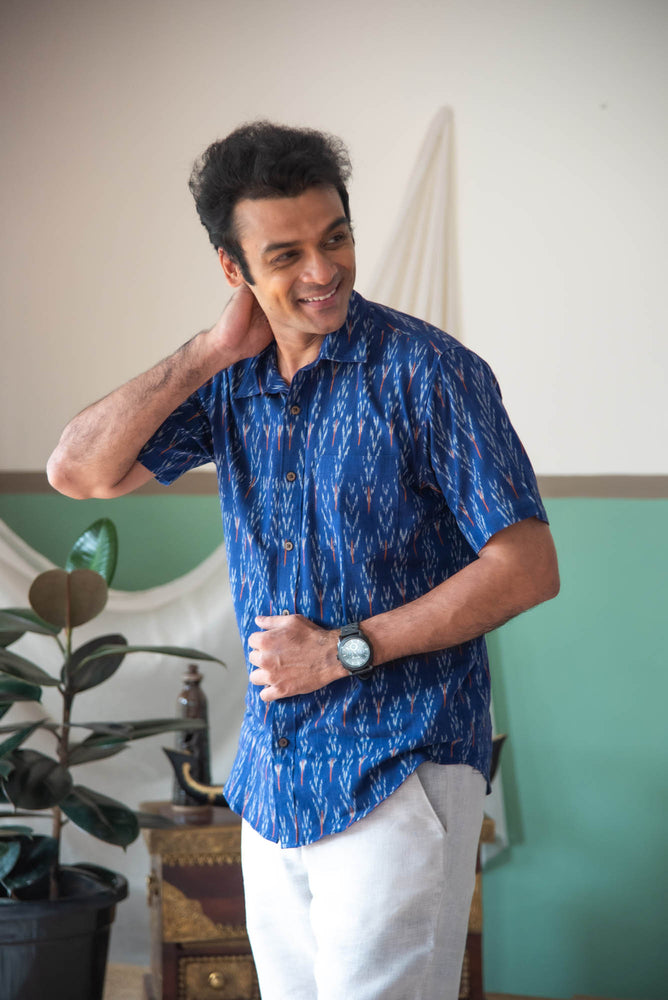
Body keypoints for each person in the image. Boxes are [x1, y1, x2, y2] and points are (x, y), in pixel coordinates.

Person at [47, 121, 559, 1000]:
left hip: (402, 765)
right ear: (233, 268)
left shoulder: (430, 372)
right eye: (285, 255)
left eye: (336, 238)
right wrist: (211, 350)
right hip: (276, 778)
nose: (323, 270)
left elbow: (528, 566)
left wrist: (343, 650)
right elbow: (78, 471)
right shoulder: (230, 379)